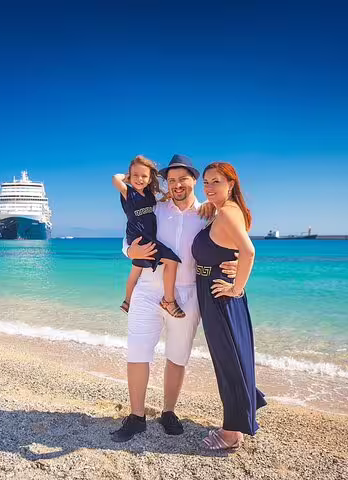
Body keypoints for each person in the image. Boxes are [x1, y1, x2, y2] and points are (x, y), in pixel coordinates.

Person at [110, 154, 237, 443]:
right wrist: (130, 252)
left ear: (194, 181)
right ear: (165, 183)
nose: (177, 184)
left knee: (177, 357)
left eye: (183, 179)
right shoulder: (154, 207)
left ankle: (168, 411)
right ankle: (136, 416)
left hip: (188, 293)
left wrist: (237, 264)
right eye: (172, 179)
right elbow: (130, 235)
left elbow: (234, 239)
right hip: (146, 289)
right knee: (137, 352)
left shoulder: (209, 213)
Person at [192, 162, 266, 450]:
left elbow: (248, 251)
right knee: (232, 359)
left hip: (220, 296)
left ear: (231, 184)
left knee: (229, 363)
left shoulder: (227, 212)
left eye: (216, 182)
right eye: (206, 183)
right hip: (216, 294)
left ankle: (231, 433)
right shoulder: (225, 211)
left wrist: (237, 288)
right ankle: (241, 412)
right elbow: (232, 248)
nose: (209, 188)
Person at [112, 155, 184, 318]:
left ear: (150, 178)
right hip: (139, 237)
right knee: (172, 261)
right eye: (135, 175)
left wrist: (167, 197)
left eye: (144, 176)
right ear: (130, 176)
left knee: (135, 271)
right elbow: (115, 179)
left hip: (145, 237)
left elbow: (156, 206)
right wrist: (126, 177)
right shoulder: (128, 193)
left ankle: (127, 301)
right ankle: (169, 301)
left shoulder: (149, 195)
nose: (139, 179)